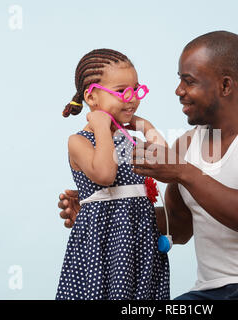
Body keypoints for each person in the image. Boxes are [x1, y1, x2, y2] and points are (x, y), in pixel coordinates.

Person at [58, 32, 238, 300]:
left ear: (225, 85)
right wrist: (105, 212)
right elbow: (179, 227)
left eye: (189, 81)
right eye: (179, 79)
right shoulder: (185, 146)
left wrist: (184, 172)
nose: (178, 91)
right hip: (208, 293)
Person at [56, 48, 169, 300]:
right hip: (104, 239)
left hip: (139, 237)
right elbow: (105, 174)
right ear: (92, 97)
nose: (132, 99)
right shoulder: (79, 141)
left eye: (136, 90)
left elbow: (167, 165)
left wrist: (146, 127)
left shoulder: (130, 139)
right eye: (121, 92)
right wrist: (100, 127)